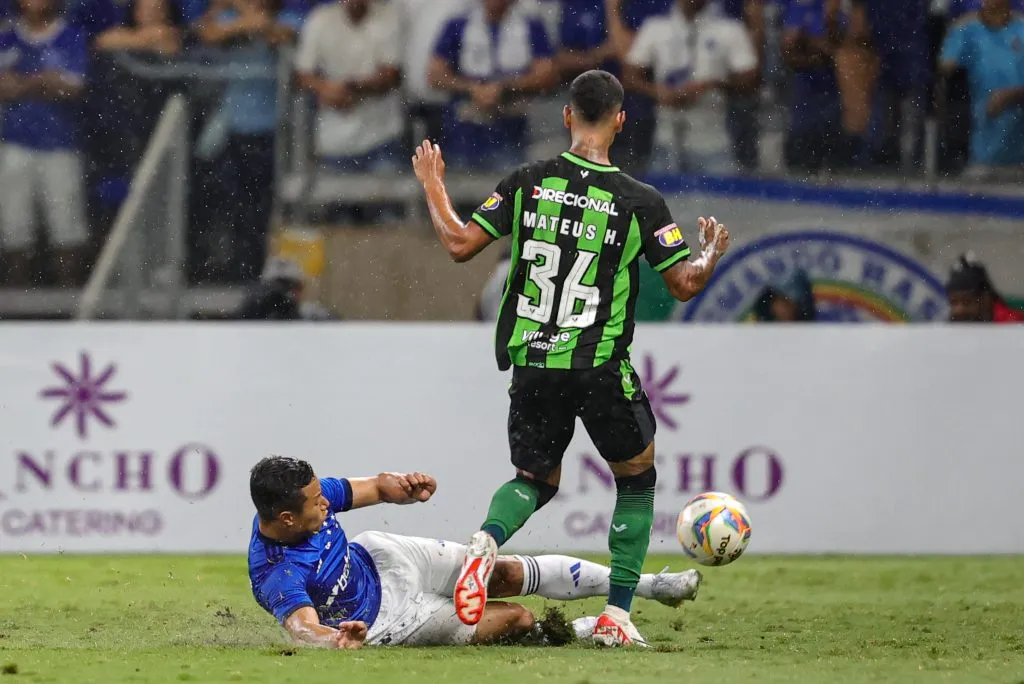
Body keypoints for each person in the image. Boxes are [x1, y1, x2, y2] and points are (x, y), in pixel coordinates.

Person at [410, 69, 730, 647]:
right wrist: (708, 254)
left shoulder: (528, 182)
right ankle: (617, 617)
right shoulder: (639, 202)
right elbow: (684, 283)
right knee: (636, 479)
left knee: (533, 479)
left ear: (566, 115)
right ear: (621, 120)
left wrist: (433, 183)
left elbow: (459, 244)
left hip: (534, 361)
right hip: (599, 363)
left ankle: (485, 540)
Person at [248, 456, 703, 648]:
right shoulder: (275, 572)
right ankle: (588, 630)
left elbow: (368, 487)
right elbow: (303, 627)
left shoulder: (305, 497)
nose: (324, 502)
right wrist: (337, 638)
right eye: (316, 502)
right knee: (516, 619)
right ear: (286, 519)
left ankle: (650, 586)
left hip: (383, 558)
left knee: (499, 571)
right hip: (386, 620)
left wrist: (402, 487)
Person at [946, 252, 1024, 323]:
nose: (959, 310)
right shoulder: (944, 324)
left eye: (967, 302)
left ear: (986, 299)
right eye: (954, 302)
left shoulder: (1012, 324)